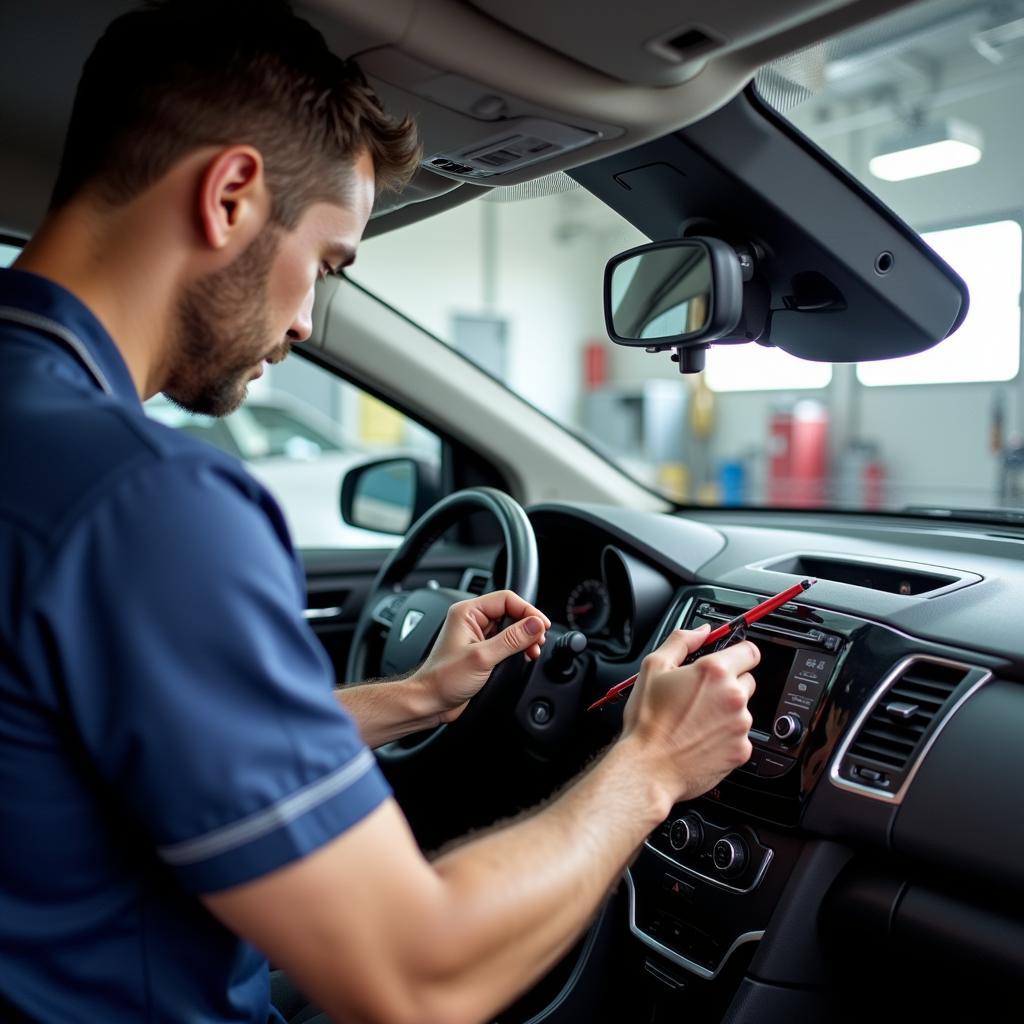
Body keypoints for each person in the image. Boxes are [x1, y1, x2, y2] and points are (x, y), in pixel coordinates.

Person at [0, 1, 760, 1021]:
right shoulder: (147, 504)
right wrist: (652, 764)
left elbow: (101, 741)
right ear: (230, 195)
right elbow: (414, 976)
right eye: (326, 262)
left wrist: (415, 697)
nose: (309, 318)